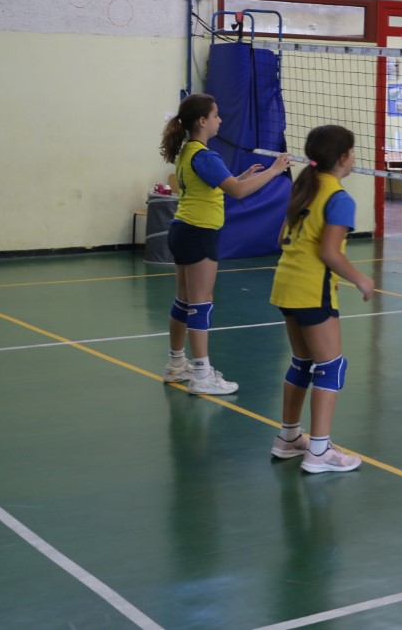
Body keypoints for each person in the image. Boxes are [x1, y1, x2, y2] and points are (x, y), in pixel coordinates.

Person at [159, 93, 291, 394]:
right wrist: (274, 170)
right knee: (200, 304)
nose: (220, 120)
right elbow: (238, 192)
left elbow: (220, 185)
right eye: (216, 114)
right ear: (202, 121)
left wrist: (242, 176)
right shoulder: (205, 155)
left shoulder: (189, 151)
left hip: (182, 231)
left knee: (184, 301)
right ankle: (202, 374)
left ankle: (177, 364)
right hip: (198, 233)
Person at [269, 125, 374, 474]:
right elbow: (330, 252)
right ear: (343, 157)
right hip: (312, 290)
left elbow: (282, 238)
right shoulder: (339, 198)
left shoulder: (305, 186)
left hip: (286, 284)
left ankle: (288, 438)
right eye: (352, 151)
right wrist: (361, 279)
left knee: (302, 362)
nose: (354, 157)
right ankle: (319, 451)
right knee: (331, 366)